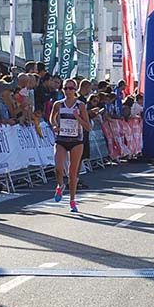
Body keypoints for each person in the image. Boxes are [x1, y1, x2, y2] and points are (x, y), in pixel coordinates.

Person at [49, 78, 91, 212]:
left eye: (71, 88)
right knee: (58, 167)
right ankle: (60, 185)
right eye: (66, 88)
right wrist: (55, 125)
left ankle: (72, 201)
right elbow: (51, 118)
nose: (68, 91)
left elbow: (88, 126)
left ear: (75, 90)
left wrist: (77, 117)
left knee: (72, 173)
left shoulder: (80, 105)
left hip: (76, 141)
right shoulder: (58, 104)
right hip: (61, 139)